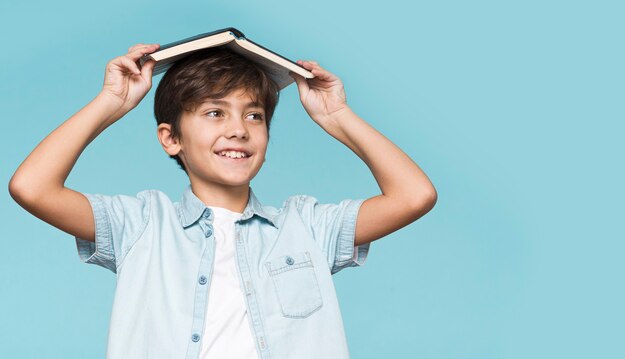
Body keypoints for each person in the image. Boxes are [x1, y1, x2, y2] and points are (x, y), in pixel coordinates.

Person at [9, 42, 437, 358]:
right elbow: (32, 187)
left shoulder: (305, 226)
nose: (239, 129)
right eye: (215, 113)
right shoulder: (140, 224)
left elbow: (414, 195)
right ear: (171, 138)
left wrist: (336, 116)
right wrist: (110, 102)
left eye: (254, 115)